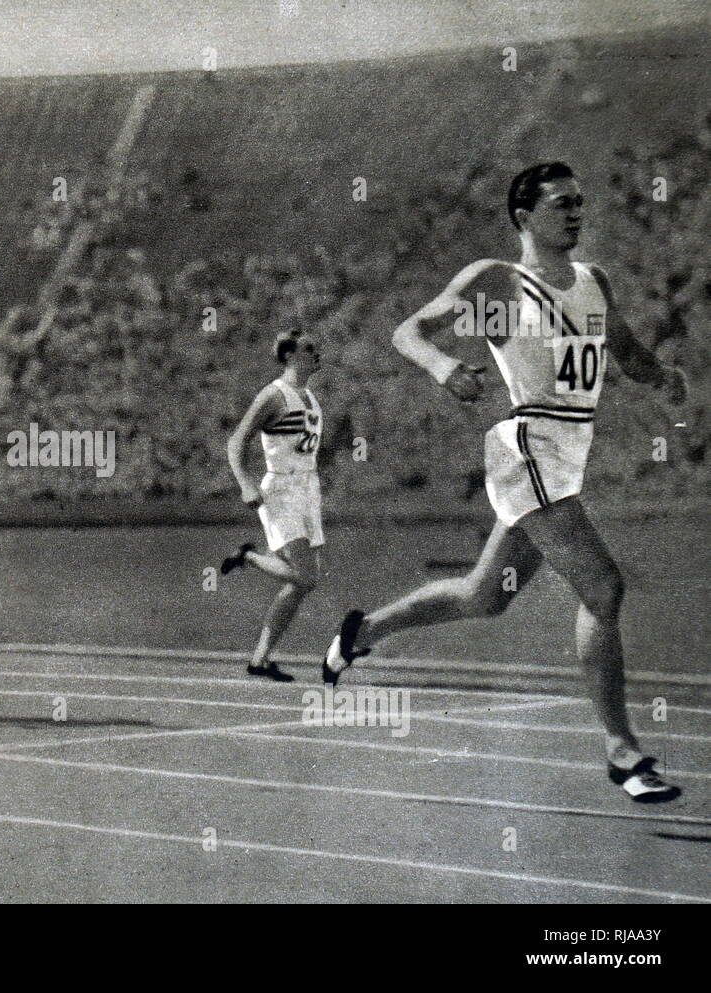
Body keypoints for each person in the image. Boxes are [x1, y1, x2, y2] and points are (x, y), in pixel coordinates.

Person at [323, 163, 687, 802]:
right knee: (603, 587)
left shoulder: (592, 283)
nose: (575, 213)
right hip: (527, 450)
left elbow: (625, 351)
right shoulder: (499, 282)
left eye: (579, 202)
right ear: (524, 217)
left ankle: (363, 632)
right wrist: (443, 369)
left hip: (565, 459)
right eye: (559, 205)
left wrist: (663, 377)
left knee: (484, 596)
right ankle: (623, 752)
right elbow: (409, 331)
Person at [222, 332, 323, 682]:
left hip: (307, 490)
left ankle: (260, 660)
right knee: (308, 577)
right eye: (309, 348)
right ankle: (249, 557)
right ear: (290, 355)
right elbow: (236, 443)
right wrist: (246, 484)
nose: (316, 352)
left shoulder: (308, 396)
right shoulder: (273, 395)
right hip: (280, 490)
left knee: (300, 583)